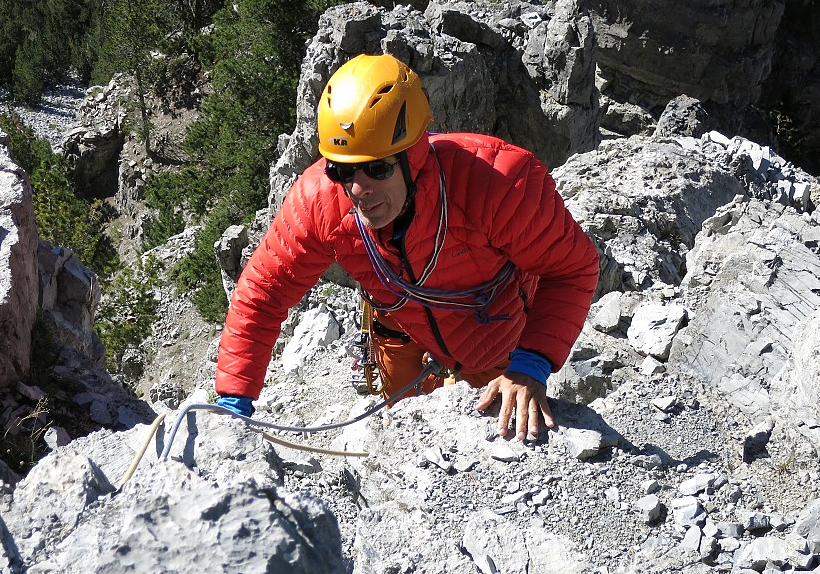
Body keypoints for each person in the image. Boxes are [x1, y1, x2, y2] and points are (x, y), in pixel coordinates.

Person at [214, 53, 599, 440]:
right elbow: (262, 296)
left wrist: (529, 365)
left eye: (378, 168)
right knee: (408, 435)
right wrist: (233, 398)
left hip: (494, 340)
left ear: (414, 155)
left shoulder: (497, 183)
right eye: (343, 170)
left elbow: (572, 268)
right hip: (397, 329)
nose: (359, 190)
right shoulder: (320, 201)